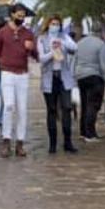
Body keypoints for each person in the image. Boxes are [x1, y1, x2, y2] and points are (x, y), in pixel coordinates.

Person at [0, 3, 37, 157]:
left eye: (23, 16)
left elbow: (36, 56)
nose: (21, 18)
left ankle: (20, 143)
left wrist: (31, 48)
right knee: (9, 105)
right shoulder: (2, 32)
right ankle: (6, 141)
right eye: (19, 15)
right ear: (12, 14)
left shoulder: (28, 33)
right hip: (7, 73)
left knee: (22, 109)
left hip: (23, 74)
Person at [38, 16, 79, 154]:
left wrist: (62, 43)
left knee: (67, 108)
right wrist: (53, 52)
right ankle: (53, 144)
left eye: (57, 24)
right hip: (49, 78)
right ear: (48, 25)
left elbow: (75, 47)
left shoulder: (64, 37)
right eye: (53, 24)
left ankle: (68, 142)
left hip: (64, 77)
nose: (55, 26)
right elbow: (41, 58)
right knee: (52, 110)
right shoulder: (42, 39)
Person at [74, 21, 105, 143]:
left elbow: (74, 60)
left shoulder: (80, 43)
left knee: (84, 104)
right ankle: (90, 134)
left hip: (80, 76)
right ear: (101, 32)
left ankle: (83, 132)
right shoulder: (101, 45)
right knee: (93, 105)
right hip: (95, 77)